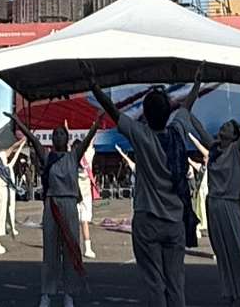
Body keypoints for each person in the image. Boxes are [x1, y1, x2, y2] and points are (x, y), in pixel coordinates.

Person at [89, 77, 216, 307]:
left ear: (145, 115)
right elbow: (187, 104)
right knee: (176, 283)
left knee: (154, 284)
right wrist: (197, 81)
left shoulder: (141, 135)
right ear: (169, 113)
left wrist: (94, 85)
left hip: (148, 218)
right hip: (174, 220)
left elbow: (113, 111)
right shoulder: (177, 132)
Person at [6, 112, 82, 307]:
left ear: (67, 138)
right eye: (55, 134)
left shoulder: (74, 156)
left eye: (62, 134)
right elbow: (33, 139)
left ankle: (69, 294)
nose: (58, 136)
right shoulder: (47, 156)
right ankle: (47, 293)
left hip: (70, 203)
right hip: (51, 204)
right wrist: (19, 123)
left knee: (71, 250)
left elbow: (89, 139)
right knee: (50, 250)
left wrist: (96, 124)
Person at [192, 115, 240, 307]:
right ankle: (230, 292)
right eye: (224, 124)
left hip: (229, 204)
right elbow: (200, 129)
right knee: (221, 251)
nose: (223, 126)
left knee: (235, 249)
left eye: (228, 126)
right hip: (213, 204)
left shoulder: (235, 149)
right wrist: (188, 111)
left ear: (234, 135)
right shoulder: (214, 149)